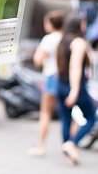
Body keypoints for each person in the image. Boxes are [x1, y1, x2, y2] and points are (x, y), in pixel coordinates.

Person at [56, 13, 97, 165]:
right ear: (78, 25)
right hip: (75, 86)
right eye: (84, 23)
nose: (85, 26)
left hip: (61, 83)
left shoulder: (63, 40)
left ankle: (69, 154)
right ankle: (72, 143)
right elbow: (75, 67)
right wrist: (74, 90)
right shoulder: (78, 42)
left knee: (66, 119)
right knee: (91, 117)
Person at [28, 10, 64, 157]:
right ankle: (71, 144)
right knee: (68, 113)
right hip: (65, 77)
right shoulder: (66, 38)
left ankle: (41, 146)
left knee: (45, 113)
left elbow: (38, 59)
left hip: (51, 77)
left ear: (50, 24)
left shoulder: (48, 39)